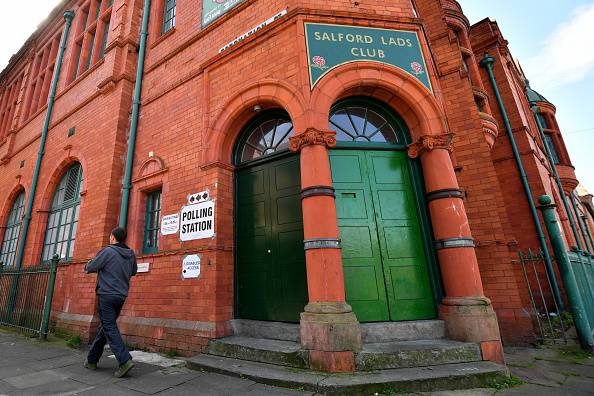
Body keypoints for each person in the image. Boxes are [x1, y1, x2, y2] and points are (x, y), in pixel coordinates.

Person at [84, 227, 137, 378]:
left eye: (110, 236)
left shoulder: (108, 251)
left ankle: (125, 360)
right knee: (106, 327)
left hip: (107, 295)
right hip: (121, 296)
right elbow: (133, 271)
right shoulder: (130, 254)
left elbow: (92, 266)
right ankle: (92, 360)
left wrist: (87, 265)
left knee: (108, 326)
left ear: (113, 238)